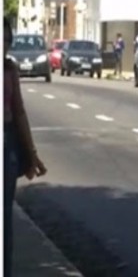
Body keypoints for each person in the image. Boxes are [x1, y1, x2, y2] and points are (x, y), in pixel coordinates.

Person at [4, 17, 48, 276]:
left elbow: (19, 111)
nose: (4, 45)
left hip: (6, 141)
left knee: (3, 217)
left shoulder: (9, 69)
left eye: (7, 40)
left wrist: (32, 155)